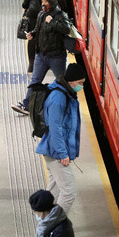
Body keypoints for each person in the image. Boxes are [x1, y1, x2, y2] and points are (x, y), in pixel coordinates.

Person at [37, 63, 86, 214]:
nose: (82, 86)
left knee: (52, 194)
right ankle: (55, 228)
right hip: (55, 151)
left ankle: (45, 228)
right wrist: (63, 153)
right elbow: (55, 128)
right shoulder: (59, 98)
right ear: (72, 81)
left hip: (53, 150)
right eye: (81, 83)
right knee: (69, 192)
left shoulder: (66, 93)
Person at [12, 0, 70, 115]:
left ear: (52, 2)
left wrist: (53, 22)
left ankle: (67, 107)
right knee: (35, 81)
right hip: (41, 55)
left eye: (46, 1)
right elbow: (37, 29)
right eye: (42, 1)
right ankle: (26, 105)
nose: (44, 4)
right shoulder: (41, 14)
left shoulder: (60, 15)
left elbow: (66, 29)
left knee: (62, 82)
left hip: (56, 57)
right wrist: (32, 34)